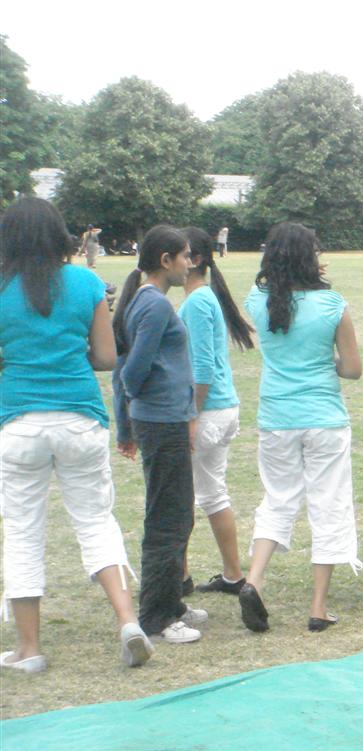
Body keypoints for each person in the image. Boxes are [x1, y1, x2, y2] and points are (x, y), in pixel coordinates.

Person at [0, 198, 152, 672]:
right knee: (95, 521)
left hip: (19, 421)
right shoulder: (86, 282)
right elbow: (107, 358)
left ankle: (30, 650)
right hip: (80, 417)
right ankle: (128, 621)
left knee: (23, 533)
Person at [241, 222, 362, 633]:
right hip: (324, 416)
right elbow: (353, 368)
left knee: (276, 501)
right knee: (328, 504)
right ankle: (318, 606)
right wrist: (325, 364)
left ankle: (254, 580)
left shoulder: (257, 300)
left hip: (277, 416)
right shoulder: (332, 305)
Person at [112, 225, 205, 644]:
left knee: (176, 514)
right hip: (161, 423)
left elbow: (123, 370)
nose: (191, 263)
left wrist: (128, 423)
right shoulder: (154, 307)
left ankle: (172, 604)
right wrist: (138, 414)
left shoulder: (147, 302)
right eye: (185, 256)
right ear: (165, 260)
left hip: (162, 420)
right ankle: (157, 617)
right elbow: (130, 372)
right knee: (169, 518)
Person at [178, 227, 254, 597]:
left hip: (207, 411)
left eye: (180, 252)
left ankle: (180, 576)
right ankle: (232, 574)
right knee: (211, 493)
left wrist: (191, 415)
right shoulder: (206, 297)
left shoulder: (196, 301)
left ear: (195, 260)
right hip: (223, 408)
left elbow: (202, 368)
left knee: (185, 496)